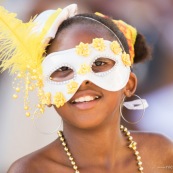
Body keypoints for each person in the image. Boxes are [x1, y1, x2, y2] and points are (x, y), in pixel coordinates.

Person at [0, 4, 172, 173]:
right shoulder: (31, 170)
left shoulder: (161, 154)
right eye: (63, 69)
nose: (83, 81)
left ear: (129, 84)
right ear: (45, 93)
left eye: (99, 63)